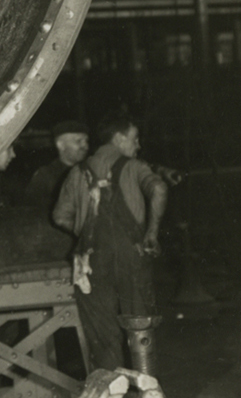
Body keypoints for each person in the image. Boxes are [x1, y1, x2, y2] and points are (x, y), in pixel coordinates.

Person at [53, 115, 168, 373]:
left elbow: (60, 216)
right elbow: (159, 188)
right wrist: (152, 232)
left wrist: (85, 232)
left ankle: (113, 391)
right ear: (119, 139)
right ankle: (147, 389)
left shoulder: (77, 172)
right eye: (134, 139)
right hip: (132, 255)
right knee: (140, 325)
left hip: (91, 260)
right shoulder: (134, 167)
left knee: (102, 334)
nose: (138, 145)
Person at [26, 119, 90, 219]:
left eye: (86, 141)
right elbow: (31, 211)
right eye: (78, 141)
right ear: (60, 145)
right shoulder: (45, 175)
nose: (85, 146)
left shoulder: (90, 171)